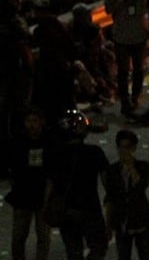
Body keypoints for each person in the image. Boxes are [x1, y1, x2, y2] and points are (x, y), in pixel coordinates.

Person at [48, 110, 109, 260]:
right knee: (98, 246)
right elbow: (107, 182)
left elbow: (50, 184)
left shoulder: (57, 155)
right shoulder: (94, 152)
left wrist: (47, 206)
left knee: (73, 251)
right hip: (90, 207)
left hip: (66, 209)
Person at [102, 129, 149, 260]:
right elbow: (110, 197)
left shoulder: (143, 166)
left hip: (141, 219)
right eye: (121, 147)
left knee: (146, 254)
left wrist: (131, 166)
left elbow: (141, 186)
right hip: (122, 220)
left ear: (133, 148)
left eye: (127, 147)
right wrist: (108, 225)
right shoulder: (112, 170)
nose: (123, 151)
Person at [7, 109, 52, 260]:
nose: (31, 125)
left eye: (35, 121)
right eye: (28, 121)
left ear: (41, 122)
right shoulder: (19, 142)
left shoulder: (48, 142)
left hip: (42, 195)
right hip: (23, 195)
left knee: (43, 236)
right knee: (18, 236)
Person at [104, 0, 148, 118]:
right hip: (121, 35)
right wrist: (120, 4)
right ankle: (124, 100)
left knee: (138, 69)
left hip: (139, 34)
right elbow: (108, 9)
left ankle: (135, 96)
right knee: (123, 70)